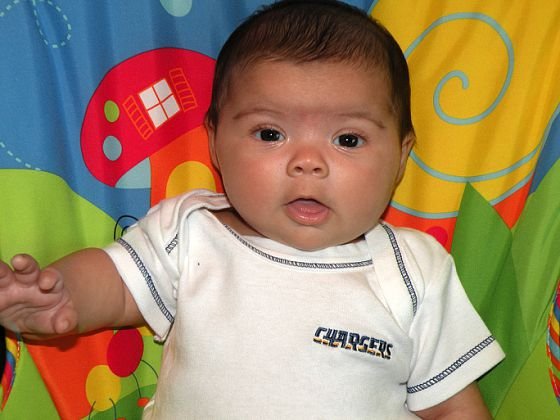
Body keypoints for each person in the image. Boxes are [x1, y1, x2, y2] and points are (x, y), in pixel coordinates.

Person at [0, 0, 504, 418]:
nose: (308, 162)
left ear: (401, 157)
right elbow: (115, 283)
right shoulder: (191, 231)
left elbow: (452, 406)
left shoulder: (414, 270)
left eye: (348, 139)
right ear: (216, 144)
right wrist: (58, 296)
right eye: (270, 134)